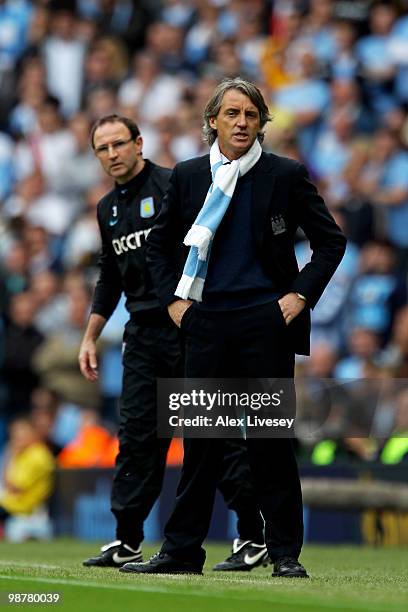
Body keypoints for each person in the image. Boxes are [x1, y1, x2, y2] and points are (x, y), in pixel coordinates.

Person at [123, 78, 347, 578]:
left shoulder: (285, 174)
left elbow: (331, 241)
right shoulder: (186, 177)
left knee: (270, 445)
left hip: (265, 325)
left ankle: (285, 554)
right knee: (201, 445)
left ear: (261, 121)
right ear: (213, 122)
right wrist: (174, 305)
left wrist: (298, 295)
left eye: (250, 114)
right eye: (231, 114)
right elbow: (158, 249)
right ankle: (182, 552)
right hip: (204, 323)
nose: (241, 122)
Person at [78, 114, 268, 570]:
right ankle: (126, 539)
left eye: (118, 144)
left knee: (210, 431)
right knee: (137, 438)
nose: (112, 155)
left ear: (138, 143)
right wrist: (91, 335)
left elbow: (209, 242)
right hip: (142, 333)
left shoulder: (173, 184)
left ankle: (252, 534)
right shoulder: (108, 209)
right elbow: (111, 274)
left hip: (187, 323)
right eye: (102, 149)